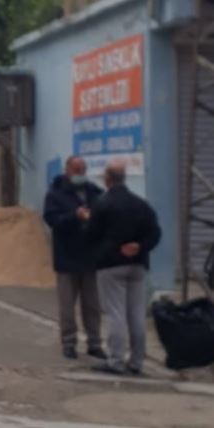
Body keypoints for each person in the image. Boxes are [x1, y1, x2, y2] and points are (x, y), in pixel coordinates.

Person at [86, 160, 162, 375]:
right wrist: (140, 246)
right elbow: (155, 233)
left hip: (110, 265)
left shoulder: (102, 204)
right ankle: (136, 361)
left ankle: (116, 360)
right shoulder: (141, 204)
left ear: (108, 179)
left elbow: (91, 234)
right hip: (138, 264)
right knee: (137, 314)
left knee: (115, 313)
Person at [43, 156, 106, 360]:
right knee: (67, 306)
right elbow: (52, 219)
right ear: (67, 170)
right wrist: (74, 216)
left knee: (92, 306)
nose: (80, 174)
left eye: (83, 170)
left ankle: (95, 343)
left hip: (89, 258)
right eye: (76, 169)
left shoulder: (94, 192)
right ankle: (69, 342)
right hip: (67, 258)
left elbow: (104, 216)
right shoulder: (56, 194)